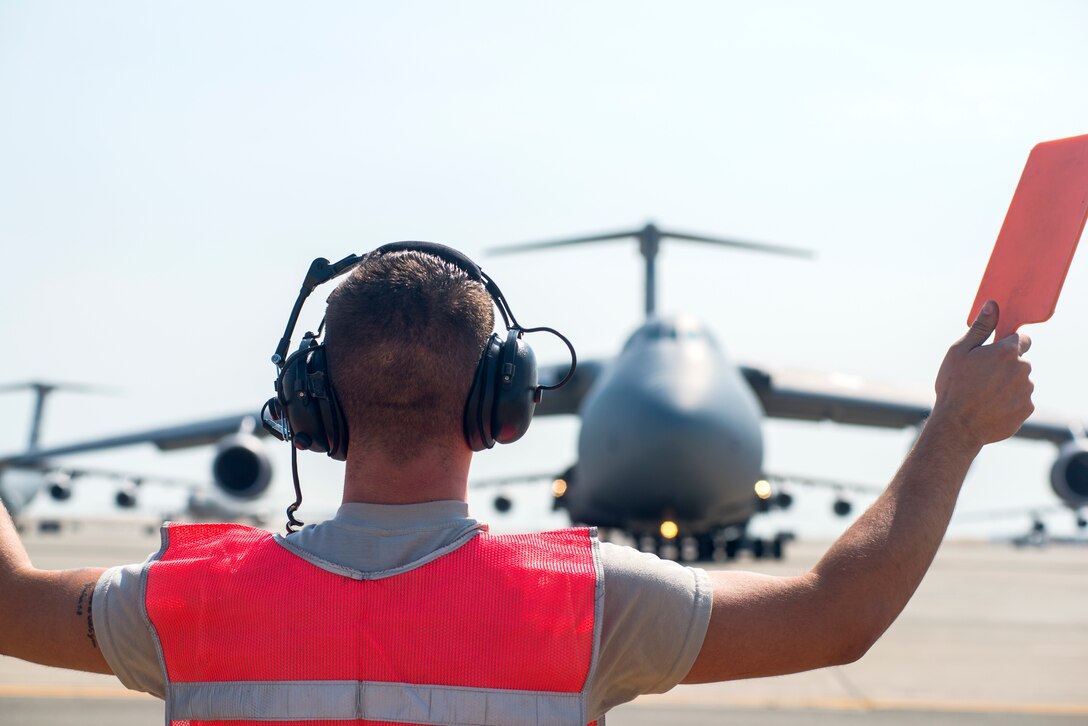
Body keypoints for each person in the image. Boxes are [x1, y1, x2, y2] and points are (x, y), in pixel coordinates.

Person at [0, 245, 1034, 724]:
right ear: (502, 406)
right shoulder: (585, 606)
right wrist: (952, 429)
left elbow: (7, 600)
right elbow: (835, 615)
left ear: (310, 406)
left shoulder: (186, 602)